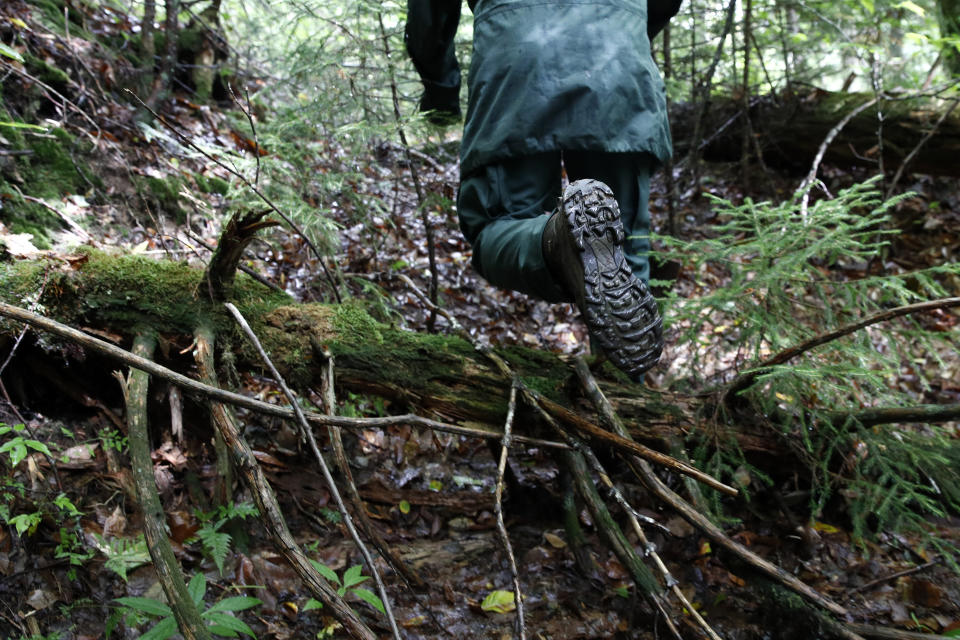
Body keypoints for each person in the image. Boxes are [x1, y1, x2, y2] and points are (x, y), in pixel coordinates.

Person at [405, 0, 682, 379]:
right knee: (626, 247)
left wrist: (440, 93)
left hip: (516, 65)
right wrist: (623, 29)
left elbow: (429, 12)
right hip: (621, 67)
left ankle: (559, 244)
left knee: (499, 226)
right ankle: (625, 405)